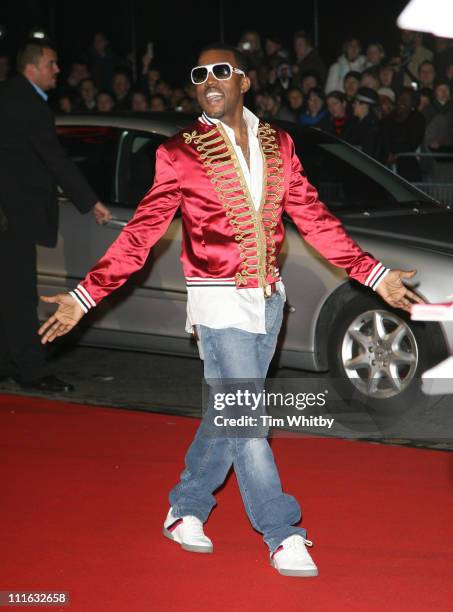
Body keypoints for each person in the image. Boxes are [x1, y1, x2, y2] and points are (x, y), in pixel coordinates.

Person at [38, 43, 422, 577]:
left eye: (221, 71)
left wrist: (373, 273)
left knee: (228, 412)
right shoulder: (180, 152)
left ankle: (186, 506)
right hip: (217, 301)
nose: (209, 80)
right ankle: (281, 530)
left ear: (244, 81)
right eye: (199, 74)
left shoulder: (278, 142)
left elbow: (313, 218)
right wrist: (86, 295)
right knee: (249, 420)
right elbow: (142, 233)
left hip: (268, 302)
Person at [0, 39, 111, 392]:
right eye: (52, 64)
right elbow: (56, 160)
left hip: (8, 214)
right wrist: (91, 201)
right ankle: (30, 371)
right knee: (19, 297)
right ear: (32, 67)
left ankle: (9, 363)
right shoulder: (28, 104)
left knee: (9, 295)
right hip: (13, 217)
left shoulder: (9, 96)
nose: (58, 71)